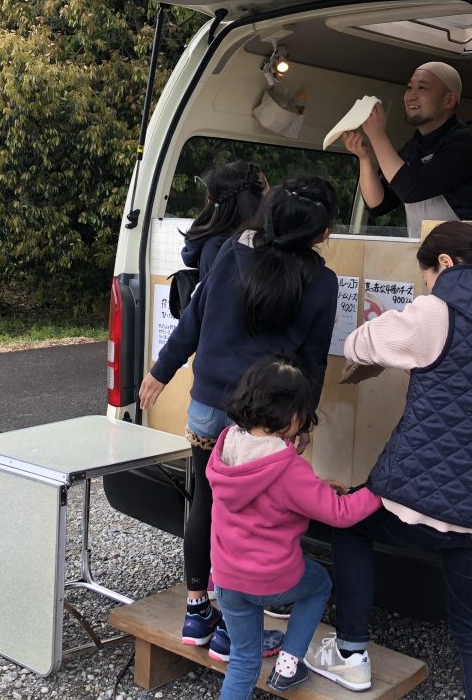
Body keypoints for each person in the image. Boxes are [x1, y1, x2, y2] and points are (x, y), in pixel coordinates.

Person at [306, 221, 472, 698]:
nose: (426, 287)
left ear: (444, 264)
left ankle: (351, 651)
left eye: (426, 277)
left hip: (425, 504)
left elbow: (359, 343)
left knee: (349, 523)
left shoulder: (435, 311)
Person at [139, 174, 341, 662]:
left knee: (205, 503)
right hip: (268, 419)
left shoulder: (232, 251)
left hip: (208, 405)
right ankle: (233, 628)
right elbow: (313, 362)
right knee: (256, 518)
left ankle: (197, 610)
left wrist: (160, 371)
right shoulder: (322, 282)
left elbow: (194, 319)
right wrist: (303, 420)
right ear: (322, 233)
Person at [208, 355, 382, 698]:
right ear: (292, 416)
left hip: (226, 577)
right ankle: (290, 663)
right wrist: (380, 491)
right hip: (271, 579)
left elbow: (263, 485)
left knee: (243, 659)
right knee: (319, 584)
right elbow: (340, 513)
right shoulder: (288, 469)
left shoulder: (227, 442)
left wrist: (315, 487)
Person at [342, 62, 472, 237]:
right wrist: (365, 159)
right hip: (432, 255)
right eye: (409, 88)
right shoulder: (413, 148)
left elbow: (413, 189)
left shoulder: (468, 146)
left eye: (422, 88)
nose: (411, 96)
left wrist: (378, 136)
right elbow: (378, 206)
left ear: (448, 100)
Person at [181, 161, 269, 279]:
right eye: (266, 187)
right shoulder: (218, 248)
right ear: (250, 200)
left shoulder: (250, 240)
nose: (271, 194)